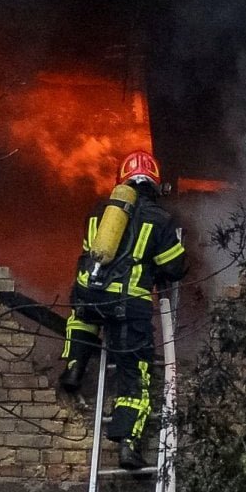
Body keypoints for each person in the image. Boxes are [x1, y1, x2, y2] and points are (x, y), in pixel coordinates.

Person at [57, 149, 188, 470]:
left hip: (89, 295)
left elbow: (89, 254)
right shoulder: (160, 219)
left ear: (122, 181)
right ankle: (129, 443)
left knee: (82, 315)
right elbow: (174, 268)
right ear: (154, 184)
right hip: (129, 308)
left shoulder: (100, 212)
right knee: (135, 374)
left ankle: (75, 365)